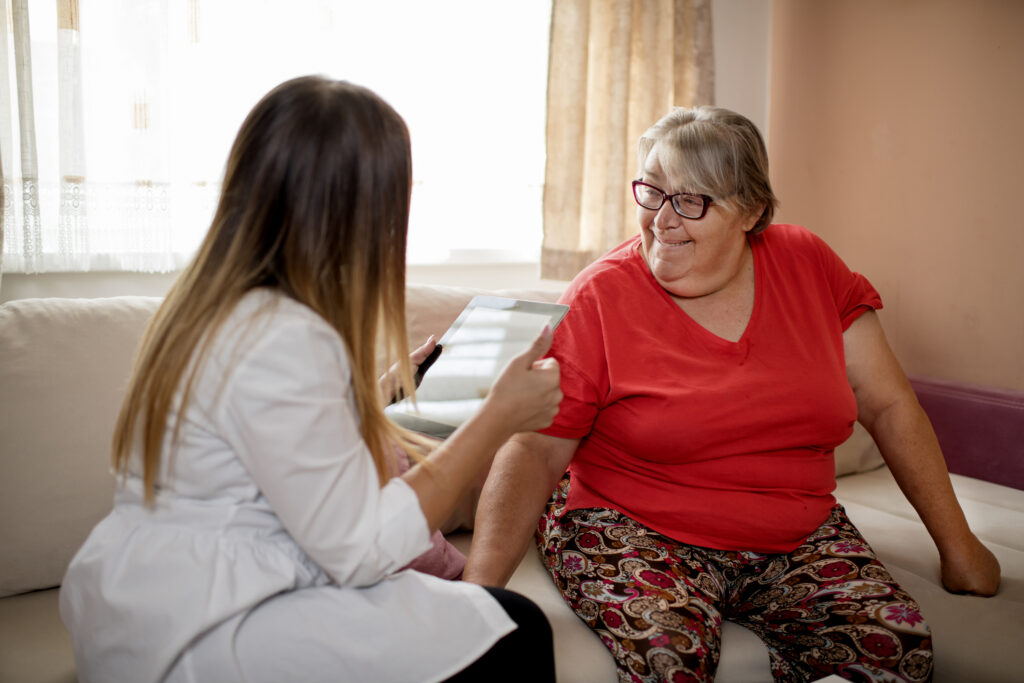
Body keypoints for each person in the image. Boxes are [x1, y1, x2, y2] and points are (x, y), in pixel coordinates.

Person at [462, 106, 1002, 683]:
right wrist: (474, 601)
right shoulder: (601, 294)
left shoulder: (809, 265)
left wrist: (959, 546)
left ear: (752, 212)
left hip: (796, 534)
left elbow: (889, 405)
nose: (662, 221)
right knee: (671, 661)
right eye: (652, 192)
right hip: (633, 525)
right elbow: (536, 449)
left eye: (691, 200)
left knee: (895, 651)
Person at [58, 76, 561, 683]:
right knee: (516, 629)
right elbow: (360, 548)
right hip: (210, 622)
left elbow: (265, 450)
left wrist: (373, 404)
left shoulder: (217, 306)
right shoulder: (286, 335)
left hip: (146, 597)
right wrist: (494, 421)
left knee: (500, 622)